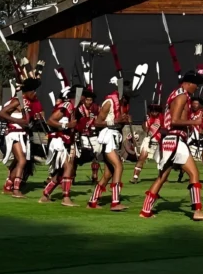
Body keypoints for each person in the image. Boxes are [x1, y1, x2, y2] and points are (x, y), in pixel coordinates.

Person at [139, 69, 203, 220]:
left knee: (162, 177)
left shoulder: (177, 94)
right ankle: (197, 211)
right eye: (196, 85)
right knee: (194, 174)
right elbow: (175, 121)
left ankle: (145, 210)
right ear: (188, 83)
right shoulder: (182, 96)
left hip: (170, 140)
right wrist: (194, 122)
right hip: (176, 139)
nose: (197, 88)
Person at [87, 78, 132, 211]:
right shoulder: (109, 102)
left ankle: (92, 202)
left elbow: (119, 122)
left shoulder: (124, 104)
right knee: (119, 166)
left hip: (115, 136)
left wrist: (126, 120)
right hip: (107, 136)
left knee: (108, 173)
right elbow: (97, 122)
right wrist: (115, 121)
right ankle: (115, 202)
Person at [39, 86, 84, 206]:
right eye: (84, 96)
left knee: (60, 172)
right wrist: (66, 125)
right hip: (58, 141)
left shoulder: (75, 108)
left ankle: (45, 195)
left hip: (66, 141)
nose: (85, 99)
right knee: (68, 167)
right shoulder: (67, 106)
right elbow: (50, 120)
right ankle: (66, 198)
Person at [0, 79, 40, 198]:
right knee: (22, 160)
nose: (35, 93)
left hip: (22, 134)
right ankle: (16, 190)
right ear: (28, 91)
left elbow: (26, 119)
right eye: (33, 91)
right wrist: (18, 121)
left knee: (18, 161)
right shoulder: (17, 100)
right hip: (13, 134)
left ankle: (8, 186)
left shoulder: (26, 101)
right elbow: (1, 113)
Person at [131, 103, 163, 184]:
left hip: (159, 141)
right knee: (142, 158)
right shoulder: (148, 118)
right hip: (148, 140)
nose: (154, 112)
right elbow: (144, 127)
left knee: (161, 161)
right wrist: (146, 126)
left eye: (156, 111)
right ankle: (135, 177)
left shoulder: (162, 118)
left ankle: (162, 178)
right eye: (153, 111)